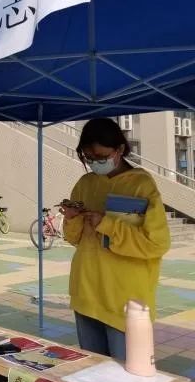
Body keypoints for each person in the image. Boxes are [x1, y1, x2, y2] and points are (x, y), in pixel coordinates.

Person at [62, 117, 170, 360]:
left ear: (120, 149)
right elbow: (74, 239)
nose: (94, 163)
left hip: (125, 301)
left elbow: (156, 244)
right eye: (88, 157)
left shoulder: (141, 185)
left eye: (101, 157)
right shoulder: (85, 183)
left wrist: (107, 224)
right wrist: (71, 219)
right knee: (92, 372)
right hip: (86, 294)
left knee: (128, 375)